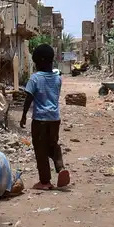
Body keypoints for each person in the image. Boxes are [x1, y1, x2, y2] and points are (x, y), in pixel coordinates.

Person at [20, 44, 70, 190]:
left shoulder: (35, 78)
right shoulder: (57, 79)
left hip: (40, 120)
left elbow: (28, 98)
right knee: (53, 145)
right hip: (55, 118)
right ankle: (60, 167)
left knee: (40, 150)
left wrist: (23, 116)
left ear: (39, 62)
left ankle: (45, 181)